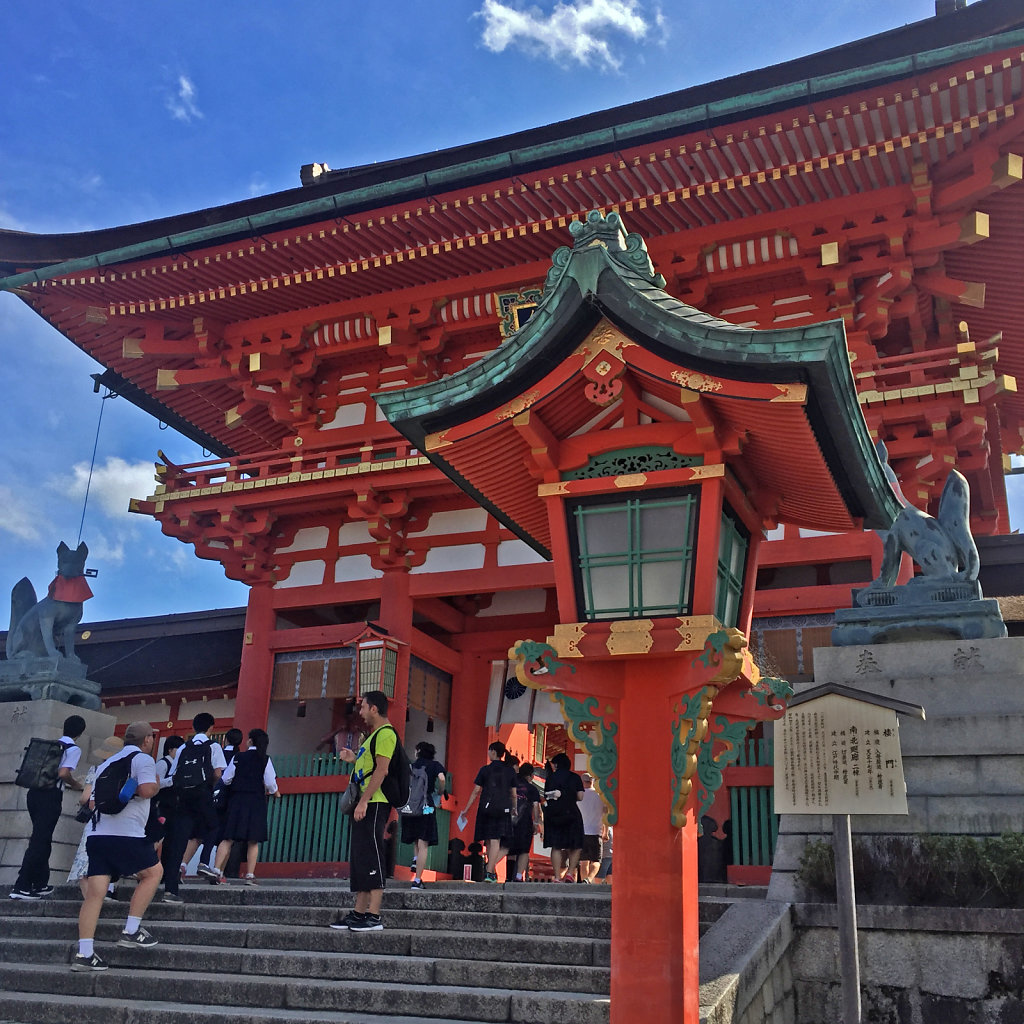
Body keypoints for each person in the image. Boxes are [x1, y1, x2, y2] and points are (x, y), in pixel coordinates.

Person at [72, 721, 163, 972]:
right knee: (153, 873)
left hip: (98, 835)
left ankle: (85, 953)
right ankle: (132, 930)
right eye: (152, 738)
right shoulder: (143, 760)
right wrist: (155, 785)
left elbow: (91, 803)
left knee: (95, 893)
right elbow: (145, 790)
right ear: (146, 740)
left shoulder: (106, 764)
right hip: (127, 835)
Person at [329, 690, 397, 931]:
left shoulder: (386, 734)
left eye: (363, 707)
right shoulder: (373, 736)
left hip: (375, 802)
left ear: (374, 709)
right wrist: (354, 757)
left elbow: (382, 770)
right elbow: (370, 764)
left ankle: (374, 914)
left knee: (372, 854)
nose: (360, 712)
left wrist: (364, 801)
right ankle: (359, 913)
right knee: (360, 857)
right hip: (367, 801)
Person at [10, 714, 86, 900]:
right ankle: (22, 885)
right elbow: (63, 773)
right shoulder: (72, 748)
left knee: (42, 838)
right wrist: (76, 784)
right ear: (80, 733)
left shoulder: (51, 745)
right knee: (39, 840)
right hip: (51, 796)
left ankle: (40, 883)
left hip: (33, 793)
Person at [159, 712, 226, 903]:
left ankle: (171, 890)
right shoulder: (213, 746)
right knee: (213, 826)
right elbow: (218, 773)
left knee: (179, 840)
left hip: (183, 797)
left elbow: (175, 775)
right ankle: (204, 862)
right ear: (211, 727)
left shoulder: (182, 748)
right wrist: (208, 786)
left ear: (193, 726)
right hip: (203, 795)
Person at [202, 728, 280, 885]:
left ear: (250, 740)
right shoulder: (265, 759)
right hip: (256, 801)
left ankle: (217, 871)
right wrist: (275, 792)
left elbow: (226, 778)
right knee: (253, 839)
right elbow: (271, 782)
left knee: (228, 837)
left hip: (237, 800)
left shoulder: (238, 757)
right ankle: (250, 875)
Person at [67, 735, 125, 899]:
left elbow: (86, 798)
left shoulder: (96, 769)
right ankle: (107, 892)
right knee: (108, 861)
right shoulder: (125, 771)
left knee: (85, 865)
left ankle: (92, 902)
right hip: (118, 823)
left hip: (96, 822)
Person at [459, 740, 517, 883]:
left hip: (486, 808)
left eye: (489, 750)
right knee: (496, 840)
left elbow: (476, 791)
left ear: (493, 751)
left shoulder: (485, 770)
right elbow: (513, 793)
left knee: (490, 840)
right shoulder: (510, 771)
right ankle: (490, 871)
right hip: (503, 809)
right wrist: (514, 808)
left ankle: (489, 871)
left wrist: (466, 809)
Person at [399, 741, 446, 889]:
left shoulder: (411, 766)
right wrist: (441, 791)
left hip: (411, 805)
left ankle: (415, 859)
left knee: (415, 837)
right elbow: (442, 779)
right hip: (427, 805)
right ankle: (417, 881)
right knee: (423, 842)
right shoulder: (435, 765)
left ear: (418, 751)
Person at [541, 753, 584, 883]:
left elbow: (547, 796)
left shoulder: (551, 778)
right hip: (571, 812)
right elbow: (580, 797)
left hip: (554, 814)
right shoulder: (575, 777)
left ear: (556, 764)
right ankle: (570, 873)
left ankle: (557, 876)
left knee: (556, 846)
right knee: (575, 845)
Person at [507, 762, 543, 882]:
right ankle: (518, 876)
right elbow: (536, 807)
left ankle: (508, 876)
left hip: (509, 820)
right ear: (531, 776)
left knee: (509, 849)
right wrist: (536, 823)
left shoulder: (511, 783)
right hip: (524, 821)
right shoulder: (532, 789)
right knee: (523, 850)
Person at [578, 772, 607, 884]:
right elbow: (605, 814)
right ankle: (589, 879)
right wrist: (605, 832)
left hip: (581, 832)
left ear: (582, 781)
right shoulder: (600, 796)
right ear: (592, 781)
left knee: (583, 862)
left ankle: (584, 886)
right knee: (596, 861)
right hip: (596, 831)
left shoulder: (579, 796)